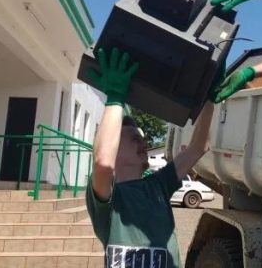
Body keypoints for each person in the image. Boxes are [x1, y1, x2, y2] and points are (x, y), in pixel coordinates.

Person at [86, 47, 215, 268]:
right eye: (134, 138)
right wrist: (115, 97)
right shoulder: (109, 200)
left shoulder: (158, 185)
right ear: (114, 147)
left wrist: (209, 99)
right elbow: (103, 163)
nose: (144, 144)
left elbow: (199, 147)